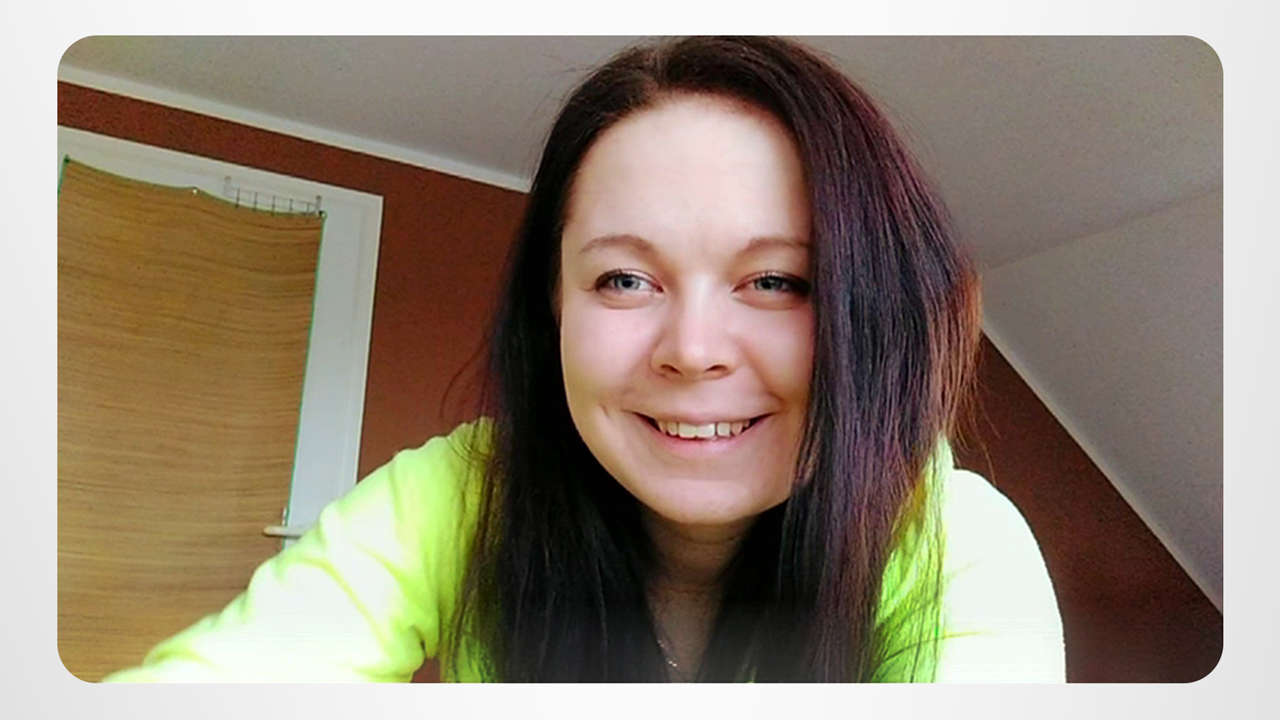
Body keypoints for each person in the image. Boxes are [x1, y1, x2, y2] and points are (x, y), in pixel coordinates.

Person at [104, 36, 1064, 683]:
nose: (692, 351)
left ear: (872, 310)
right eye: (624, 280)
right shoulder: (460, 496)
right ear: (552, 303)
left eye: (778, 281)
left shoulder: (951, 541)